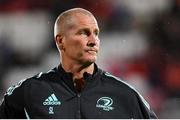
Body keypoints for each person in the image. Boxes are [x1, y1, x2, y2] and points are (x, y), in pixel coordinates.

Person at [0, 8, 157, 119]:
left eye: (96, 33)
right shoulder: (30, 91)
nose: (93, 41)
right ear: (60, 41)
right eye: (84, 33)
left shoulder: (125, 94)